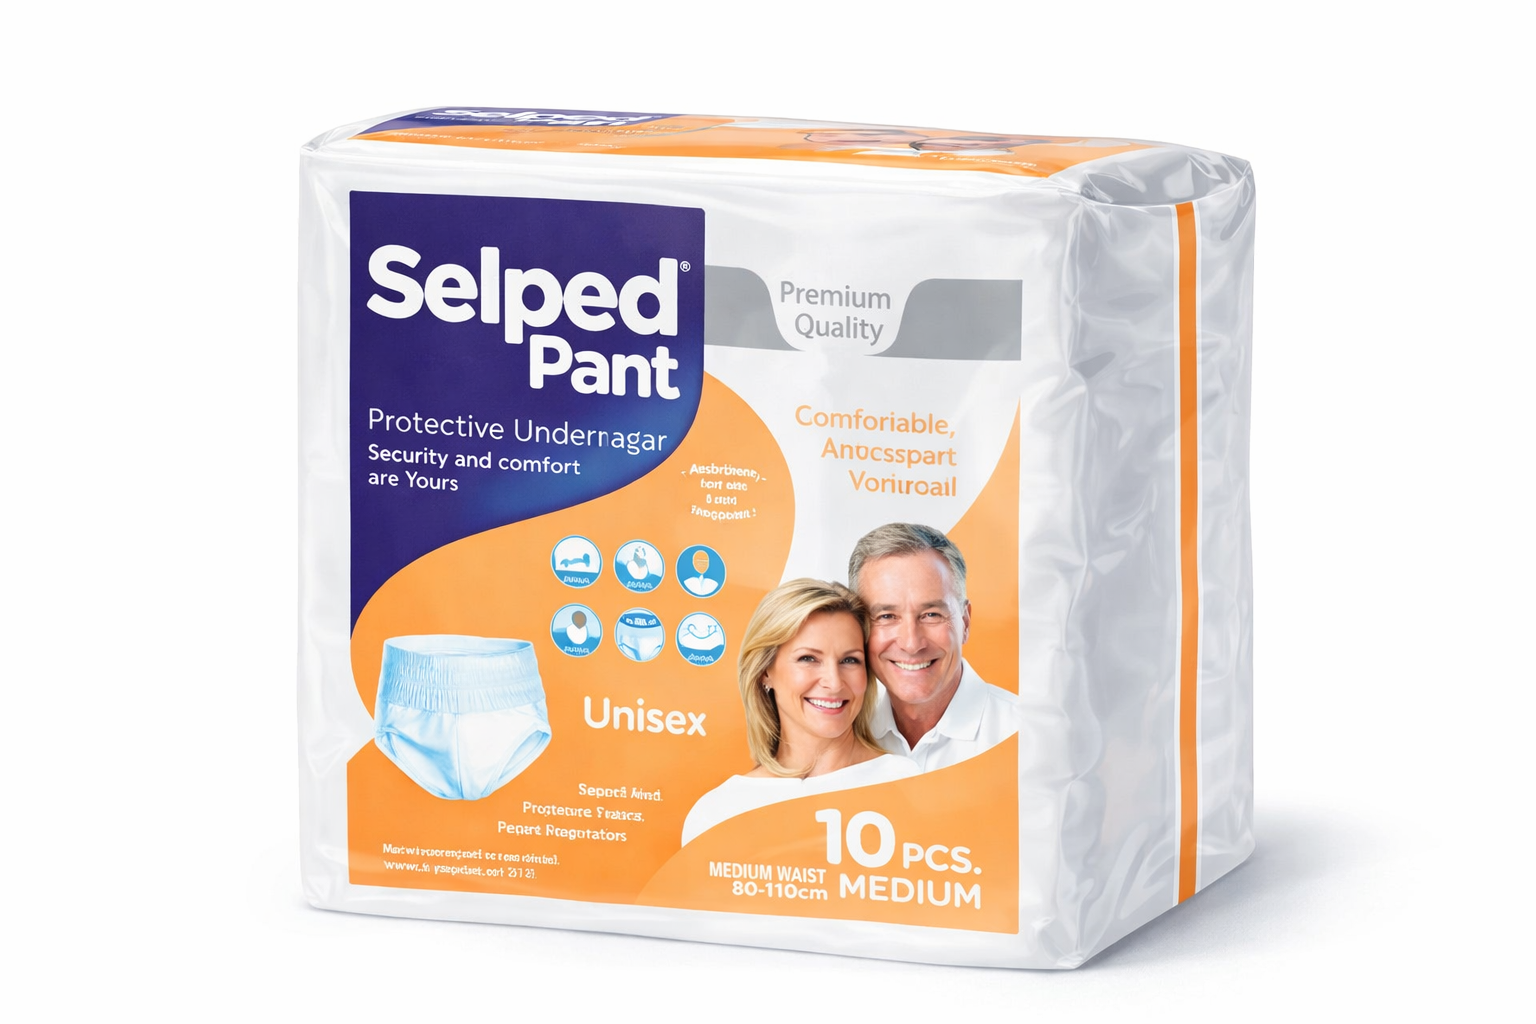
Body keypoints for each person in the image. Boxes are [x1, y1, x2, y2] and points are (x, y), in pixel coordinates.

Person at [680, 579, 918, 845]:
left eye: (850, 660)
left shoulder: (906, 787)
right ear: (765, 671)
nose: (834, 682)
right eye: (808, 659)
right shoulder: (717, 813)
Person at [848, 523, 1019, 772]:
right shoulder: (844, 739)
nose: (911, 643)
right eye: (886, 616)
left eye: (931, 614)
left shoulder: (1030, 736)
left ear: (965, 622)